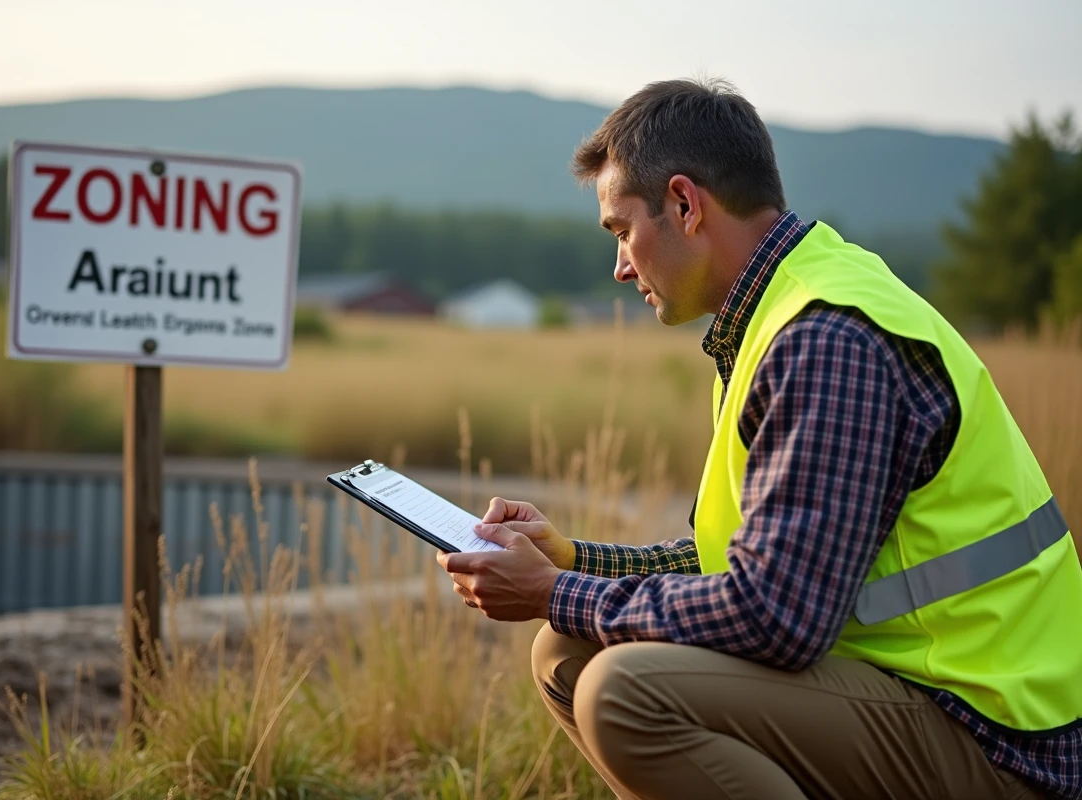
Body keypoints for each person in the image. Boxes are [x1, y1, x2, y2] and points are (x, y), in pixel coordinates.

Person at [436, 78, 1082, 800]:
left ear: (685, 204)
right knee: (568, 651)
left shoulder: (826, 337)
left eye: (622, 231)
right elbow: (743, 561)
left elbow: (776, 617)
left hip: (997, 740)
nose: (619, 266)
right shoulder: (782, 312)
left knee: (626, 689)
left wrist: (557, 590)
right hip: (906, 689)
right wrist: (576, 561)